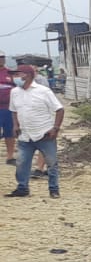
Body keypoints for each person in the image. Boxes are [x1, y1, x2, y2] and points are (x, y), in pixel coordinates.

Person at [6, 65, 64, 198]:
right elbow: (14, 110)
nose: (15, 78)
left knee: (51, 163)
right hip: (25, 135)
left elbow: (59, 109)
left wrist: (55, 128)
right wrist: (15, 125)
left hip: (44, 133)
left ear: (28, 75)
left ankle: (54, 189)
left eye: (17, 74)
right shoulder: (15, 92)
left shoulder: (43, 91)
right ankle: (22, 188)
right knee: (22, 163)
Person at [0, 53, 15, 166]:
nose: (1, 59)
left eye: (2, 57)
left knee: (9, 133)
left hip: (8, 108)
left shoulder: (10, 73)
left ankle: (10, 157)